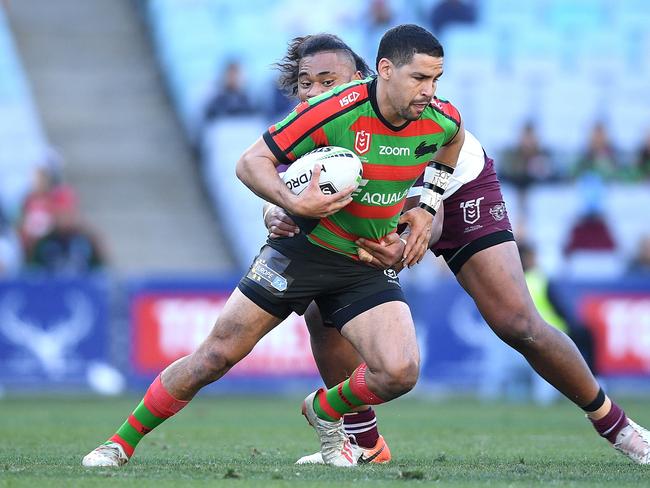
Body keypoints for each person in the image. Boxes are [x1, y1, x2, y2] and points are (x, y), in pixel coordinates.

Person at [82, 24, 465, 468]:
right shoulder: (330, 113)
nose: (429, 90)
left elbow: (451, 144)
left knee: (400, 371)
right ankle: (120, 442)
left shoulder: (442, 118)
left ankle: (327, 413)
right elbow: (252, 163)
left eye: (435, 80)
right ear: (384, 71)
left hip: (364, 261)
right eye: (420, 79)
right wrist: (287, 202)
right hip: (302, 251)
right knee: (217, 354)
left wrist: (427, 206)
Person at [262, 35, 650, 466]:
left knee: (517, 322)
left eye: (327, 81)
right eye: (305, 83)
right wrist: (274, 211)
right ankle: (366, 445)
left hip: (457, 189)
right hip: (395, 207)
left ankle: (620, 428)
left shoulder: (403, 111)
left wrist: (412, 233)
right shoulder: (313, 119)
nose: (314, 93)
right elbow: (286, 180)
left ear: (363, 78)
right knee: (322, 313)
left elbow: (434, 209)